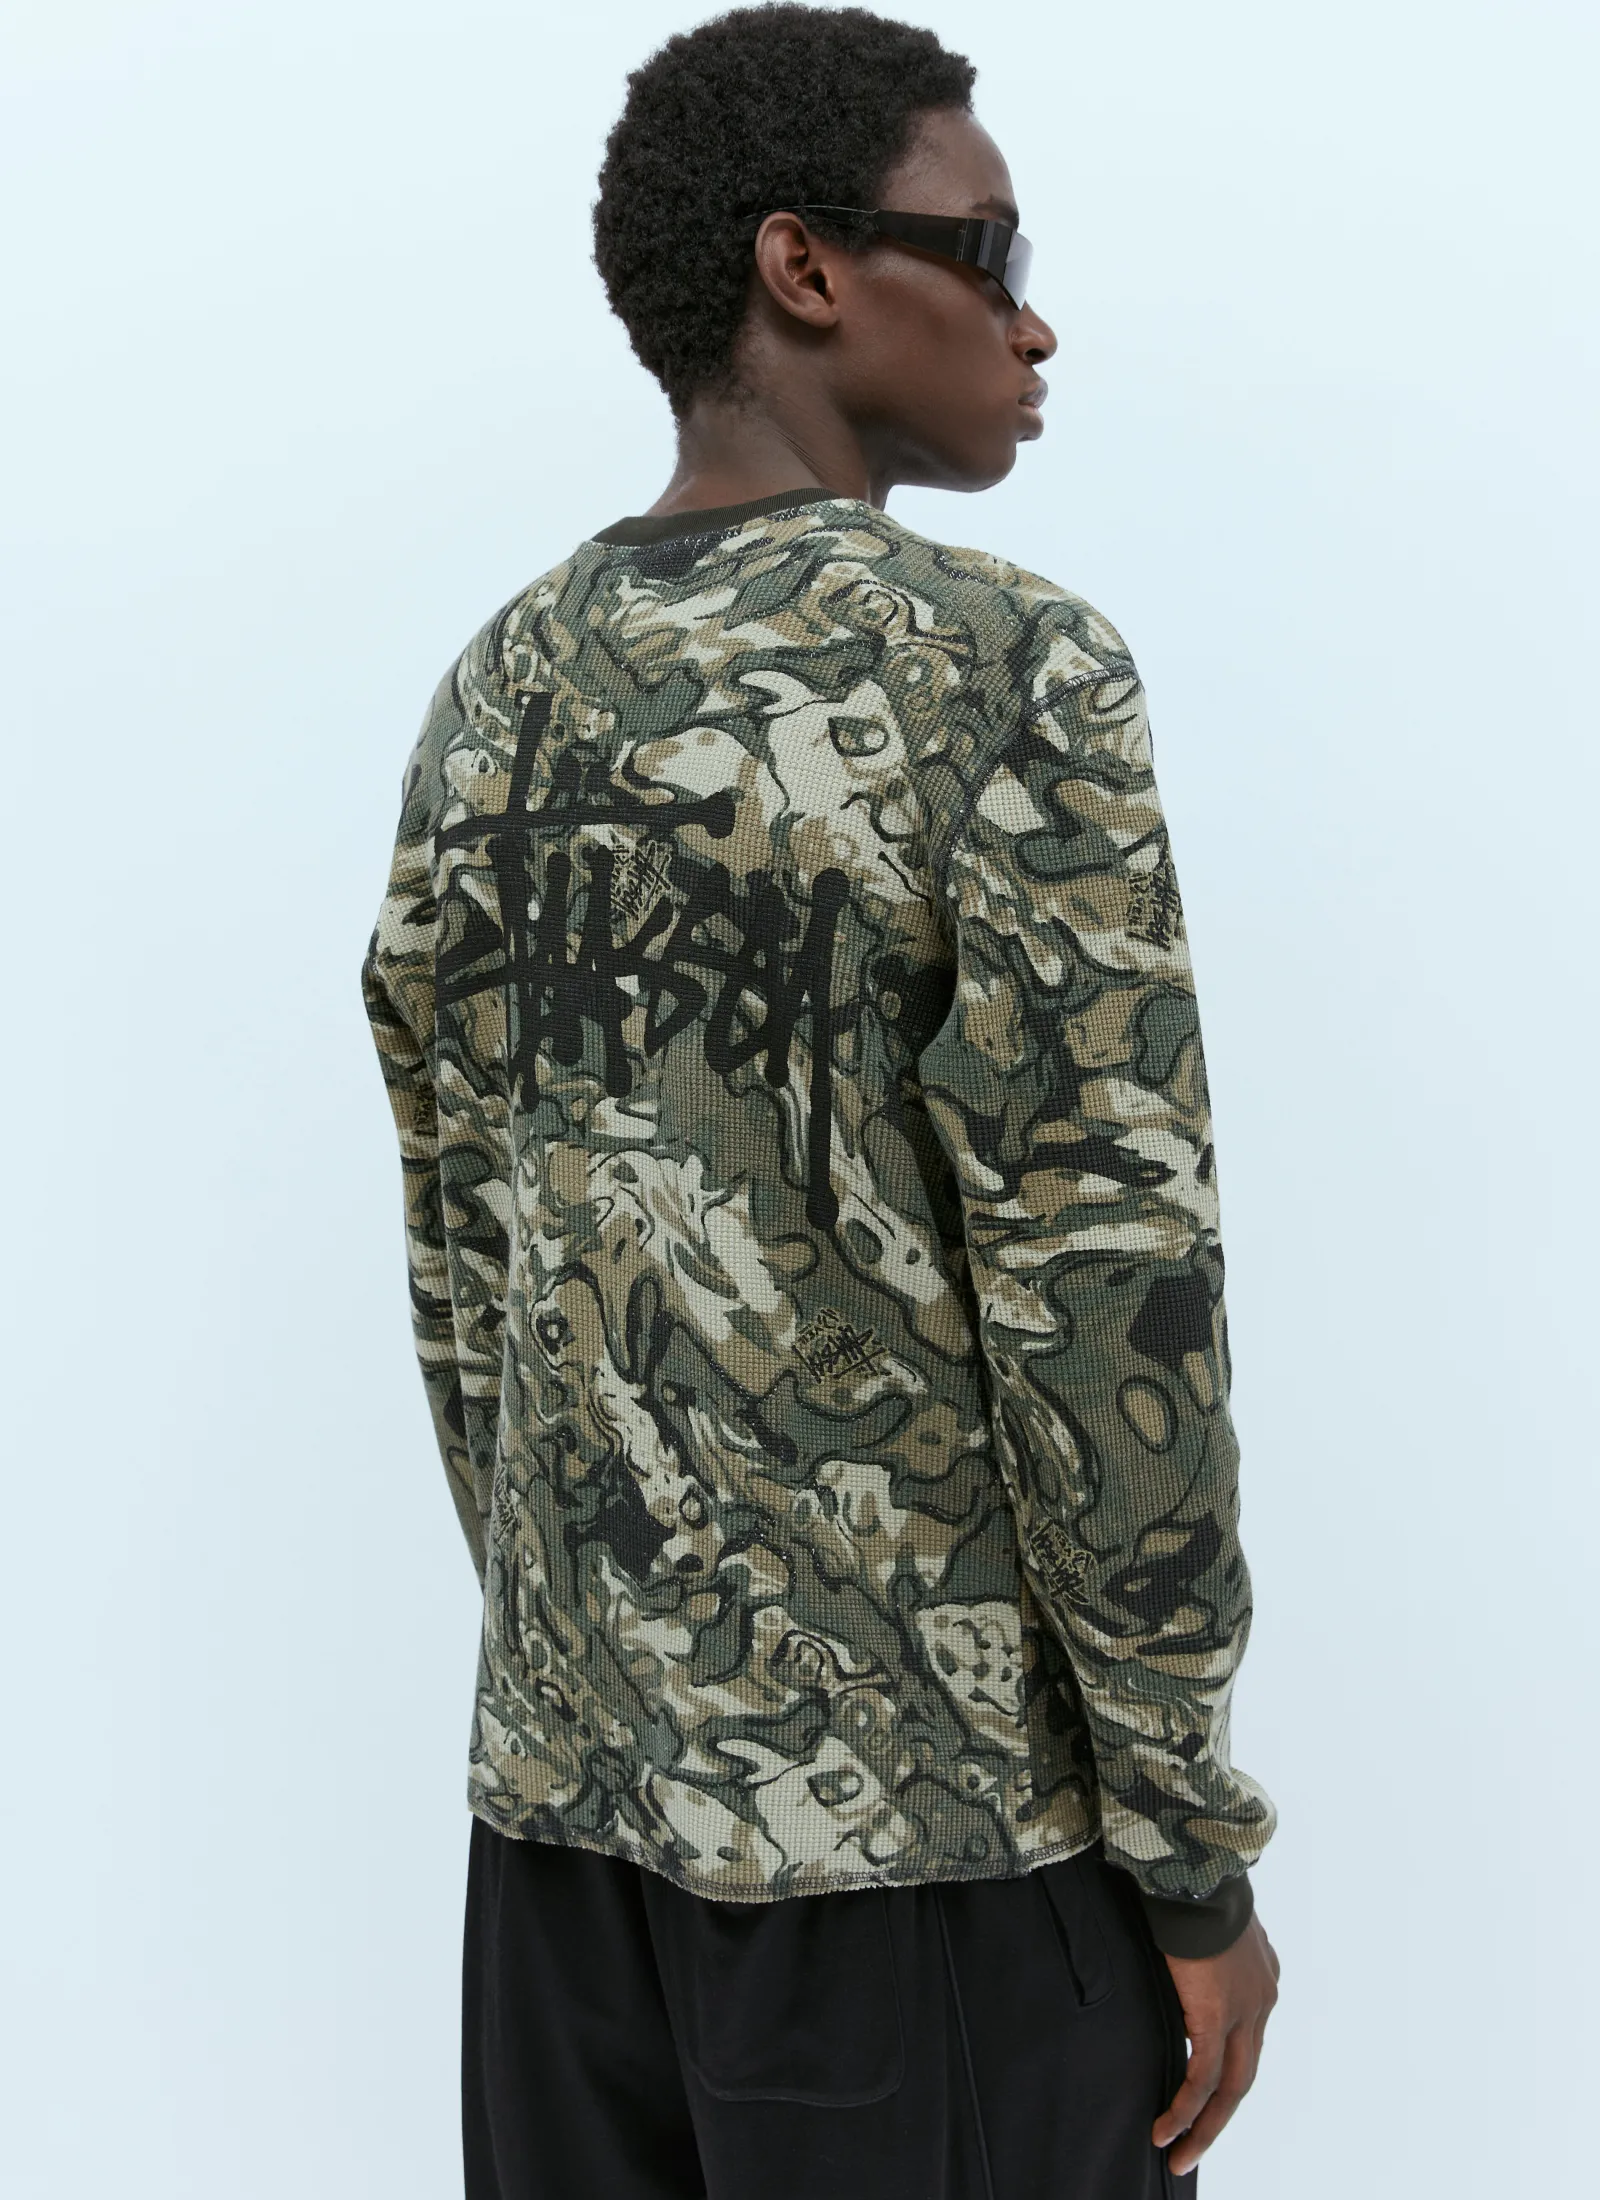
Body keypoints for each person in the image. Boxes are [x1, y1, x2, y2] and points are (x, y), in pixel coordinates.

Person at [362, 7, 1280, 2194]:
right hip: (931, 1862)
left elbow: (466, 1277)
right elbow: (1103, 1291)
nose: (1031, 320)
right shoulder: (1006, 670)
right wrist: (1185, 1852)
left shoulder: (499, 689)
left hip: (563, 1856)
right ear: (802, 267)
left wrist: (605, 1673)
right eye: (987, 248)